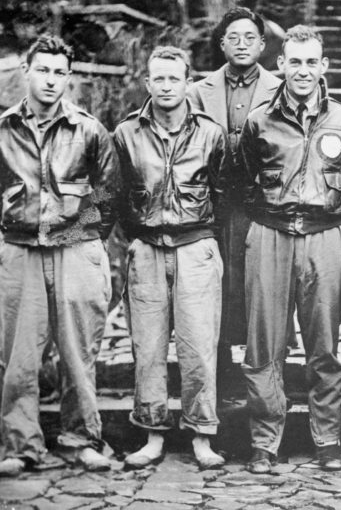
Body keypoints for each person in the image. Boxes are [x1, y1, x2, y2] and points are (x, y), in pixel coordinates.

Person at [237, 25, 341, 473]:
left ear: (323, 66)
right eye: (295, 62)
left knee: (323, 345)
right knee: (264, 345)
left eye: (312, 62)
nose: (303, 71)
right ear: (281, 65)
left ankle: (326, 438)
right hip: (269, 232)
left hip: (325, 235)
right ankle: (265, 441)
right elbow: (240, 183)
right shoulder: (259, 121)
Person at [0, 35, 120, 476]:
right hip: (18, 251)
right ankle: (19, 445)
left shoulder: (89, 129)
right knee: (17, 355)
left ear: (69, 78)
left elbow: (108, 196)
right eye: (43, 70)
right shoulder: (3, 129)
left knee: (78, 350)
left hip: (76, 249)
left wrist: (72, 232)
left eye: (59, 72)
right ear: (26, 71)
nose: (50, 80)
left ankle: (82, 438)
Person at [114, 46, 228, 470]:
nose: (166, 86)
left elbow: (225, 196)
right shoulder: (126, 134)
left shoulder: (210, 134)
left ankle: (202, 435)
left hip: (196, 247)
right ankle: (152, 432)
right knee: (148, 347)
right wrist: (128, 240)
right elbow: (111, 193)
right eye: (158, 79)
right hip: (145, 249)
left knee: (199, 346)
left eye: (174, 79)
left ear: (187, 82)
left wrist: (211, 248)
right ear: (147, 83)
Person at [187, 7, 281, 386]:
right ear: (222, 44)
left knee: (261, 285)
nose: (242, 45)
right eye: (233, 38)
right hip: (214, 206)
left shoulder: (281, 88)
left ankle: (267, 370)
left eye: (249, 38)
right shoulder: (197, 91)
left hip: (262, 205)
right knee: (216, 285)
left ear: (262, 44)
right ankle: (220, 373)